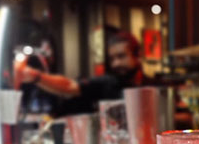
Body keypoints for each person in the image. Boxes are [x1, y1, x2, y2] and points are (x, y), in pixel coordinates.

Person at [14, 31, 150, 115]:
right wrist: (35, 76)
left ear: (138, 55)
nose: (116, 64)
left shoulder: (154, 86)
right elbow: (69, 85)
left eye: (121, 56)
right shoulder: (108, 83)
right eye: (112, 59)